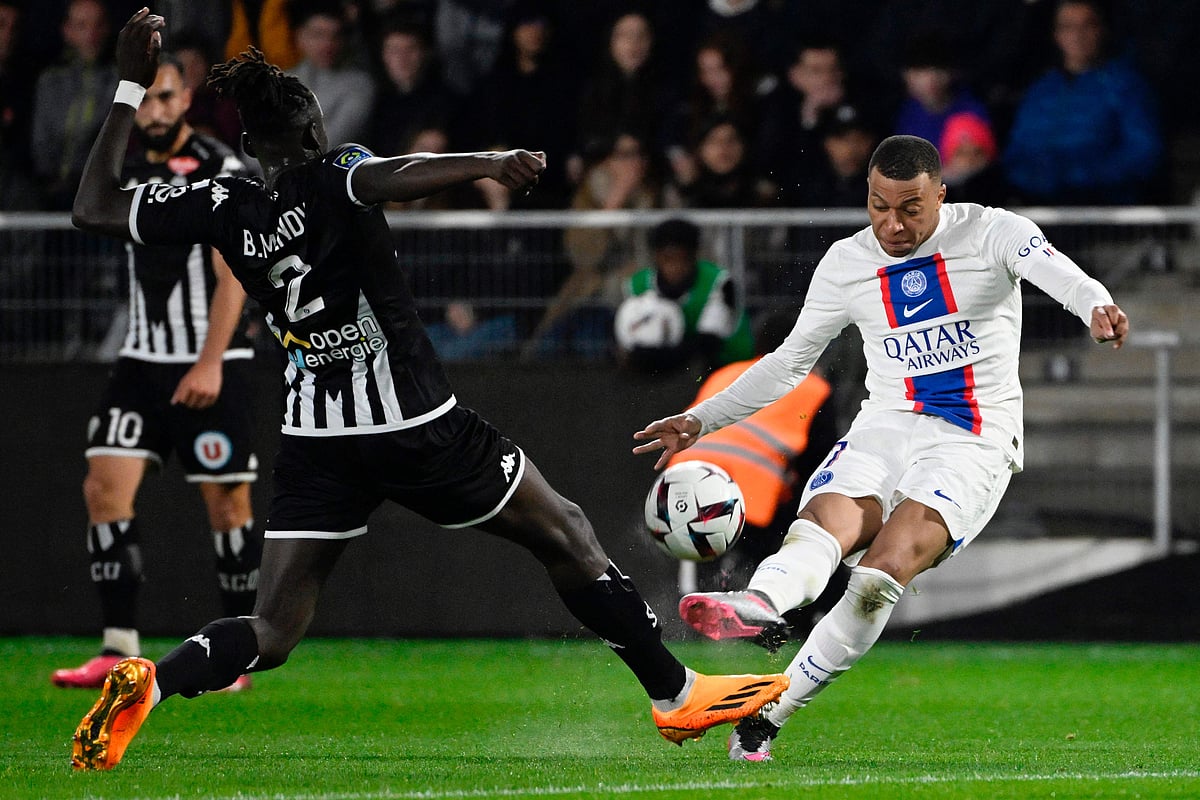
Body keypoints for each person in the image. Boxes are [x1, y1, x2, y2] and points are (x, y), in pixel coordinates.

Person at [67, 10, 787, 771]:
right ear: (313, 133)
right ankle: (675, 696)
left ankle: (155, 681)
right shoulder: (335, 170)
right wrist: (490, 159)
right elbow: (391, 175)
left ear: (250, 147)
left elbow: (95, 207)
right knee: (566, 531)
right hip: (413, 423)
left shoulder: (225, 205)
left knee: (271, 630)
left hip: (316, 440)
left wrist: (127, 85)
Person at [633, 134, 1129, 762]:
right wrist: (700, 420)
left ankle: (769, 712)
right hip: (886, 423)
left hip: (972, 440)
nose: (892, 224)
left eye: (910, 208)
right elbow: (788, 365)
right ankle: (761, 602)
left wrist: (1095, 304)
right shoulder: (847, 262)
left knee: (878, 576)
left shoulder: (993, 233)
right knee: (824, 525)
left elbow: (1055, 269)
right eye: (877, 206)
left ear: (941, 195)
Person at [51, 53, 260, 693]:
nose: (156, 112)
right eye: (146, 100)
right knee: (101, 489)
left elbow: (235, 272)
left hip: (213, 360)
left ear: (186, 97)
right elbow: (87, 204)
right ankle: (118, 650)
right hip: (142, 360)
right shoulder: (123, 167)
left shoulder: (222, 165)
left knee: (229, 506)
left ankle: (230, 656)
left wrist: (209, 361)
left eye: (166, 98)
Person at [1002, 0, 1162, 205]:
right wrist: (1037, 180)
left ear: (1102, 30)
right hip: (1040, 209)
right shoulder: (1040, 90)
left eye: (1087, 25)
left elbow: (1143, 153)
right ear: (1056, 35)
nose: (1078, 36)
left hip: (1104, 213)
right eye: (1067, 27)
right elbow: (1016, 153)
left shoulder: (1126, 87)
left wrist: (1082, 177)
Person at [615, 217, 754, 374]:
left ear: (694, 256)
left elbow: (708, 345)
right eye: (668, 259)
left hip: (726, 366)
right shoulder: (636, 285)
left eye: (682, 259)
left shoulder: (719, 283)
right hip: (677, 365)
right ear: (656, 257)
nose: (675, 267)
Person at [31, 0, 117, 208]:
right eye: (82, 26)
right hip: (49, 194)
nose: (91, 35)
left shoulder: (119, 78)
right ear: (67, 31)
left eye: (98, 25)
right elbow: (41, 140)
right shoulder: (51, 80)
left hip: (101, 195)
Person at [288, 2, 375, 149]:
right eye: (318, 35)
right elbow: (251, 151)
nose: (327, 44)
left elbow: (326, 145)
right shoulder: (279, 81)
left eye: (335, 35)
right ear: (300, 37)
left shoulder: (360, 85)